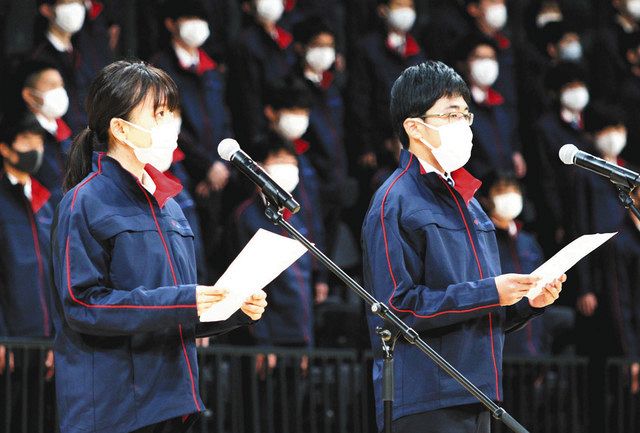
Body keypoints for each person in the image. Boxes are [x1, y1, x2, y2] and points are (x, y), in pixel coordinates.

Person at [50, 60, 268, 433]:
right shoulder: (83, 202)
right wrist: (185, 300)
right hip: (114, 408)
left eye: (171, 112)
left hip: (175, 402)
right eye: (159, 113)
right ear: (120, 128)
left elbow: (175, 312)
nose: (171, 124)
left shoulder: (171, 206)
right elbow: (83, 305)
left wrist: (232, 308)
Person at [362, 61, 566, 433]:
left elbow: (482, 308)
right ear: (413, 126)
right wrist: (491, 292)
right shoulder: (394, 200)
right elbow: (395, 309)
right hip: (426, 397)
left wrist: (526, 303)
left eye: (466, 114)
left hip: (479, 392)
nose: (464, 125)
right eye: (450, 114)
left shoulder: (469, 200)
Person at [0, 112, 57, 431]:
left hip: (46, 343)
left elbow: (57, 274)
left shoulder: (48, 201)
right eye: (26, 141)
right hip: (10, 342)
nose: (34, 148)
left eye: (38, 142)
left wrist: (58, 339)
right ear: (5, 149)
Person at [349, 0, 426, 172]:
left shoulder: (418, 51)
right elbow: (360, 98)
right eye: (399, 5)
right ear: (383, 10)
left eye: (410, 6)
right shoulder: (368, 49)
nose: (406, 11)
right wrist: (366, 145)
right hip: (381, 147)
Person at [31, 0, 112, 133]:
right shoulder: (39, 58)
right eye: (68, 3)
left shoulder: (89, 51)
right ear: (46, 9)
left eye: (79, 2)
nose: (75, 8)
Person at [456, 34, 526, 180]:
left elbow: (511, 142)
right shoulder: (458, 106)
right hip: (477, 190)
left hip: (508, 185)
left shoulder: (502, 105)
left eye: (491, 58)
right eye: (479, 58)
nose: (487, 64)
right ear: (465, 63)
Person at [228, 0, 296, 145]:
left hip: (286, 120)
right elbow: (249, 95)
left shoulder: (286, 36)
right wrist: (258, 138)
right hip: (261, 127)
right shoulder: (245, 43)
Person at [18, 60, 72, 192]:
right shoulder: (22, 137)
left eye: (61, 85)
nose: (59, 91)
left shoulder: (67, 132)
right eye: (52, 86)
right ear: (29, 95)